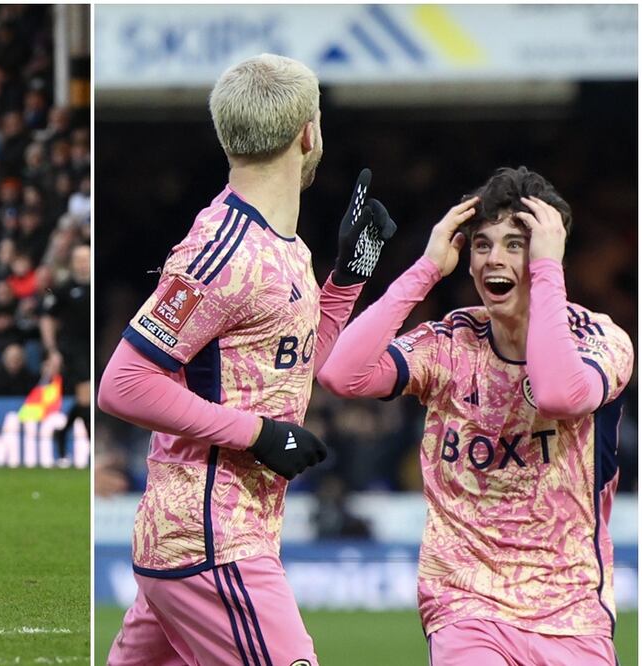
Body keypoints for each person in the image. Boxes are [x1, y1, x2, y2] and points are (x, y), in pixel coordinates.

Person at [98, 54, 396, 666]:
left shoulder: (280, 245)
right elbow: (123, 383)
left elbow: (296, 362)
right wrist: (257, 433)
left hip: (207, 537)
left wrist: (348, 278)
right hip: (210, 539)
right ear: (308, 133)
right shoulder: (220, 252)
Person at [317, 167, 633, 665]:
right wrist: (425, 269)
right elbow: (341, 375)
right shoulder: (449, 342)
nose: (493, 259)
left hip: (572, 611)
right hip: (464, 603)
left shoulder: (601, 338)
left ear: (547, 251)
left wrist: (549, 270)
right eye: (482, 245)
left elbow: (557, 394)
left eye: (515, 244)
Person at [41, 243, 90, 465]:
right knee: (86, 396)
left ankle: (62, 432)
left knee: (85, 400)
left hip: (92, 347)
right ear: (72, 263)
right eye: (78, 259)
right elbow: (47, 318)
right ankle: (89, 448)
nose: (82, 263)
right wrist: (52, 350)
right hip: (73, 348)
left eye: (85, 258)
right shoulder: (64, 289)